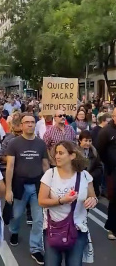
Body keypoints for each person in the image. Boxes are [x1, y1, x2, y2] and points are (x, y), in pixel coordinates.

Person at [38, 141, 97, 266]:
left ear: (72, 156)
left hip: (77, 228)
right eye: (56, 153)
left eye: (61, 153)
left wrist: (93, 200)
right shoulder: (50, 174)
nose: (57, 156)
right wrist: (61, 201)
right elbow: (41, 201)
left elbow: (92, 196)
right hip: (53, 228)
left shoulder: (84, 176)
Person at [5, 113, 50, 265]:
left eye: (32, 122)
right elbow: (10, 167)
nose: (30, 124)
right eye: (27, 122)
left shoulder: (41, 143)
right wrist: (8, 189)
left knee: (38, 219)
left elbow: (45, 165)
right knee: (17, 214)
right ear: (21, 125)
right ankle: (14, 231)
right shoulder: (14, 143)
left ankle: (35, 248)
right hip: (19, 185)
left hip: (38, 185)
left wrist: (50, 184)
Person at [98, 107, 116, 240]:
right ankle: (112, 227)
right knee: (114, 199)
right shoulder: (106, 131)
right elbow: (99, 150)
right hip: (113, 170)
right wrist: (109, 162)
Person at [78, 130, 103, 197]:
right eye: (85, 141)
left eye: (90, 141)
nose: (88, 143)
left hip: (92, 182)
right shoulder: (75, 152)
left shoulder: (94, 152)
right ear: (80, 141)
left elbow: (99, 167)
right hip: (79, 183)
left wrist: (91, 175)